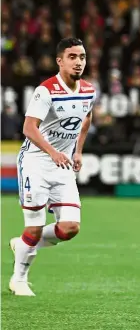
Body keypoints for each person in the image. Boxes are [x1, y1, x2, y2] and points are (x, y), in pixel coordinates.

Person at [9, 38, 96, 296]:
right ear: (60, 61)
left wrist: (78, 150)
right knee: (34, 226)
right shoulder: (46, 91)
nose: (78, 61)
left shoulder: (89, 90)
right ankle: (19, 279)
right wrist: (53, 151)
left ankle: (23, 243)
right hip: (36, 161)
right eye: (72, 57)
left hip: (63, 165)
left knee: (70, 228)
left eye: (81, 56)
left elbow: (86, 118)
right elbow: (28, 128)